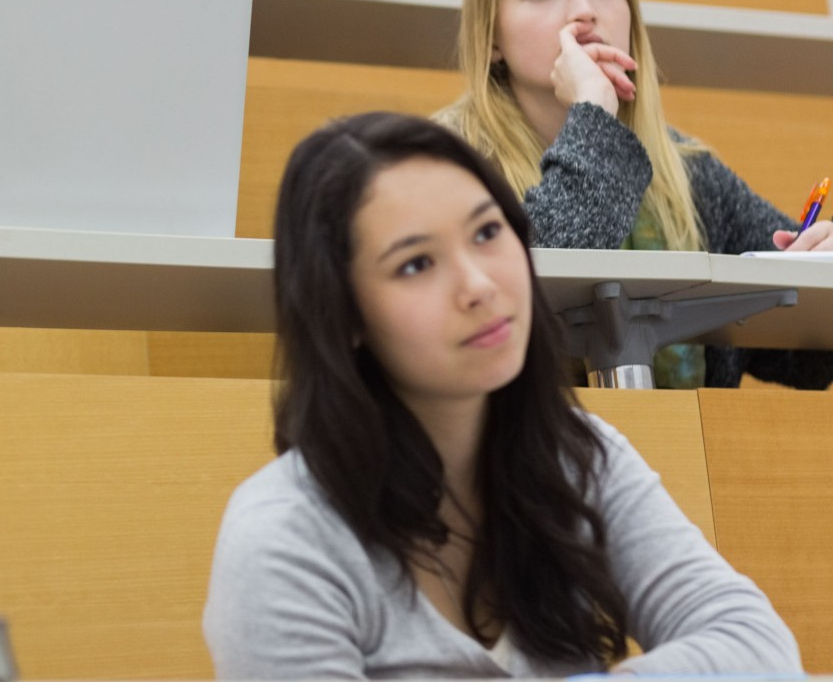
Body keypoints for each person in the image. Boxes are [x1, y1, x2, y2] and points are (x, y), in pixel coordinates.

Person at [203, 112, 800, 679]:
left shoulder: (576, 456)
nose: (479, 285)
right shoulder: (284, 538)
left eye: (488, 232)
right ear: (343, 313)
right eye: (416, 264)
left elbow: (753, 642)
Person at [435, 0, 833, 389]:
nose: (584, 10)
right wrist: (592, 113)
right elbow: (521, 301)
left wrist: (820, 261)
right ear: (491, 34)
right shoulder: (443, 165)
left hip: (685, 440)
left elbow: (801, 351)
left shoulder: (686, 168)